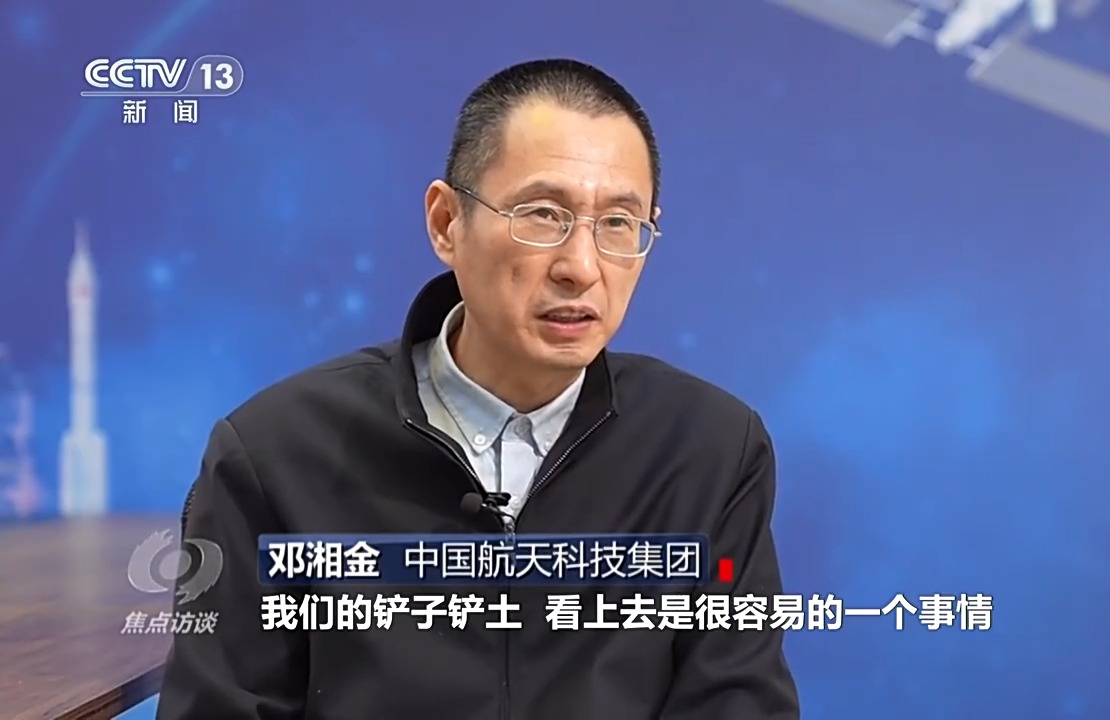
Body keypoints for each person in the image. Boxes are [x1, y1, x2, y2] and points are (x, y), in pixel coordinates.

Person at [157, 58, 799, 719]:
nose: (581, 267)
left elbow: (738, 702)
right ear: (446, 223)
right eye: (543, 214)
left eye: (617, 223)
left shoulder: (710, 450)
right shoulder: (275, 453)